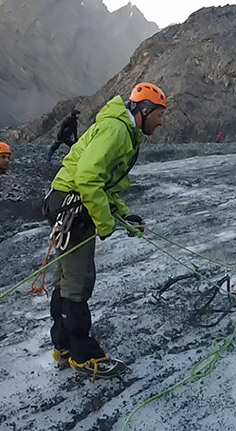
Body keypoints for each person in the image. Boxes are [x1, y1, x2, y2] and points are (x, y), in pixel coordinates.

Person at [44, 82, 166, 380]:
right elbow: (87, 177)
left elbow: (103, 184)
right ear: (145, 111)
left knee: (68, 279)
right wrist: (106, 224)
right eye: (160, 115)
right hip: (72, 206)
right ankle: (84, 356)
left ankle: (63, 347)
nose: (161, 121)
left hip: (69, 202)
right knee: (78, 282)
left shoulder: (122, 129)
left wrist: (124, 215)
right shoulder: (116, 131)